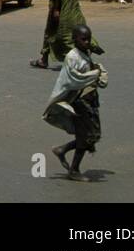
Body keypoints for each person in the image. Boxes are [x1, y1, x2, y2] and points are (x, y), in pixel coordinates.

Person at [44, 24, 107, 182]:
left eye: (88, 39)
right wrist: (96, 73)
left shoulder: (84, 52)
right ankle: (74, 169)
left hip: (90, 100)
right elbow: (75, 79)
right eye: (83, 39)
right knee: (86, 136)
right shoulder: (72, 57)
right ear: (74, 39)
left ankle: (62, 150)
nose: (86, 42)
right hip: (79, 102)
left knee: (92, 135)